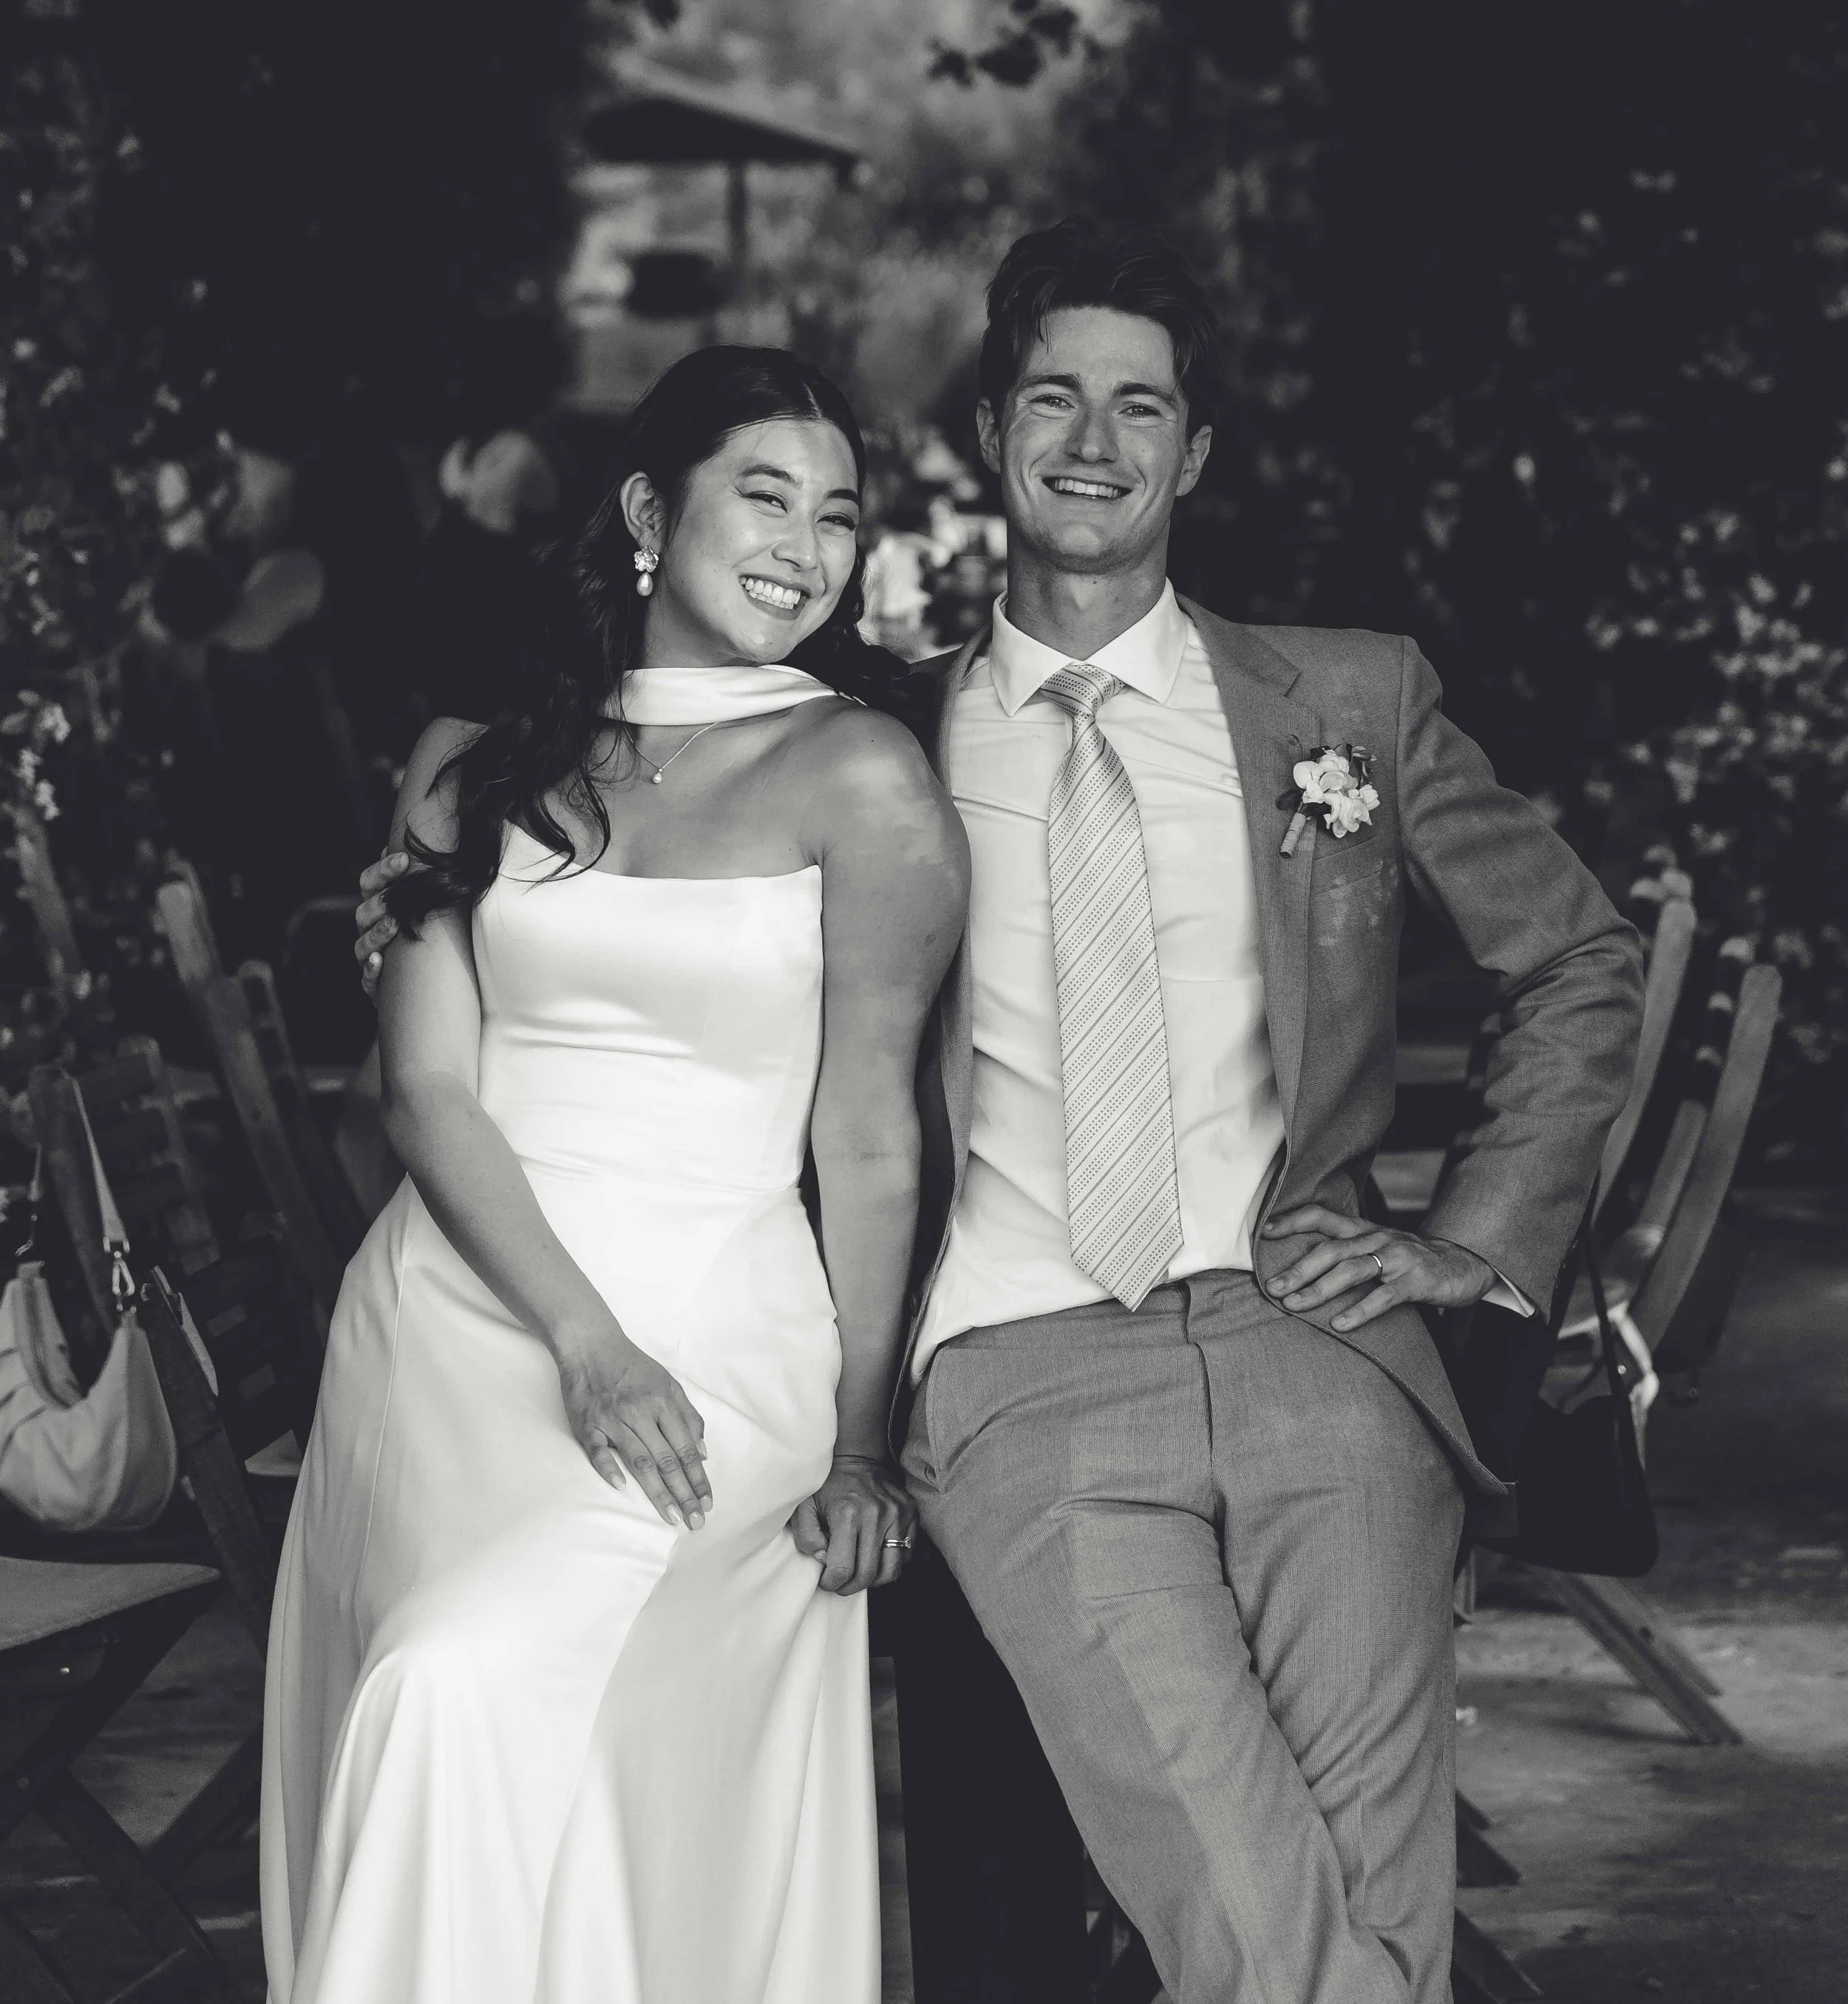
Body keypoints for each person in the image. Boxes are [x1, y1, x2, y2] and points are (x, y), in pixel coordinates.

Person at [359, 225, 1643, 2004]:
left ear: (1193, 452)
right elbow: (652, 877)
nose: (1094, 441)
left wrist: (1464, 1246)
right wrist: (437, 879)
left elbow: (1579, 962)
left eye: (1140, 405)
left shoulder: (1346, 699)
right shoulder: (864, 739)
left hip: (1316, 1347)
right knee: (1228, 1866)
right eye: (1052, 397)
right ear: (988, 430)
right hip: (1024, 1365)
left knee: (1369, 1875)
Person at [272, 345, 967, 2004]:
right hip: (449, 1330)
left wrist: (863, 1441)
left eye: (838, 514)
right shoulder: (469, 760)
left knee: (450, 1692)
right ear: (651, 512)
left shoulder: (862, 775)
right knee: (483, 1737)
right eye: (763, 494)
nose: (804, 542)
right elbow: (425, 1091)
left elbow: (868, 1133)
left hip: (718, 1331)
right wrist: (583, 1344)